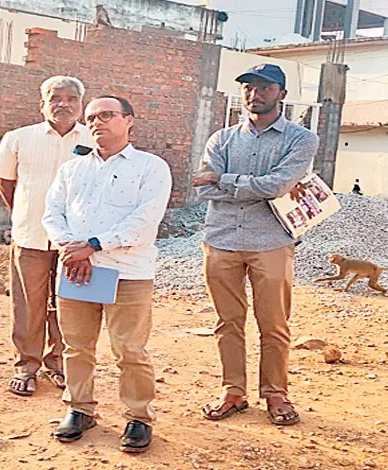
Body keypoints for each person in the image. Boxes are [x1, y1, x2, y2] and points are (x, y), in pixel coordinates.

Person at [43, 96, 172, 453]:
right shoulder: (72, 169)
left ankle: (139, 417)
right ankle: (79, 409)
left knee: (130, 349)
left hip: (127, 272)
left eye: (106, 115)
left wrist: (94, 245)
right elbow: (52, 212)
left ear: (129, 120)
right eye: (91, 118)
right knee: (76, 346)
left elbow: (145, 220)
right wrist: (71, 248)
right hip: (77, 270)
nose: (97, 122)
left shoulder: (150, 167)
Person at [192, 64, 319, 426]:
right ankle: (233, 392)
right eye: (248, 87)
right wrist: (250, 185)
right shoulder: (221, 139)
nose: (255, 94)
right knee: (227, 322)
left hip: (271, 242)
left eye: (265, 87)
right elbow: (203, 188)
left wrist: (223, 178)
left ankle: (276, 394)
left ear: (281, 93)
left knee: (274, 323)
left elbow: (278, 186)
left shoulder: (300, 139)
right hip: (221, 240)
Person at [0, 76, 93, 397]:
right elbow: (5, 182)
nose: (63, 104)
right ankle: (26, 366)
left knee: (70, 302)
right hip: (30, 235)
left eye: (71, 98)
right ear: (42, 104)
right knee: (28, 304)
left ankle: (59, 363)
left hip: (75, 242)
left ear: (81, 105)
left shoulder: (94, 140)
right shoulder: (18, 138)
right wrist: (24, 213)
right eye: (55, 98)